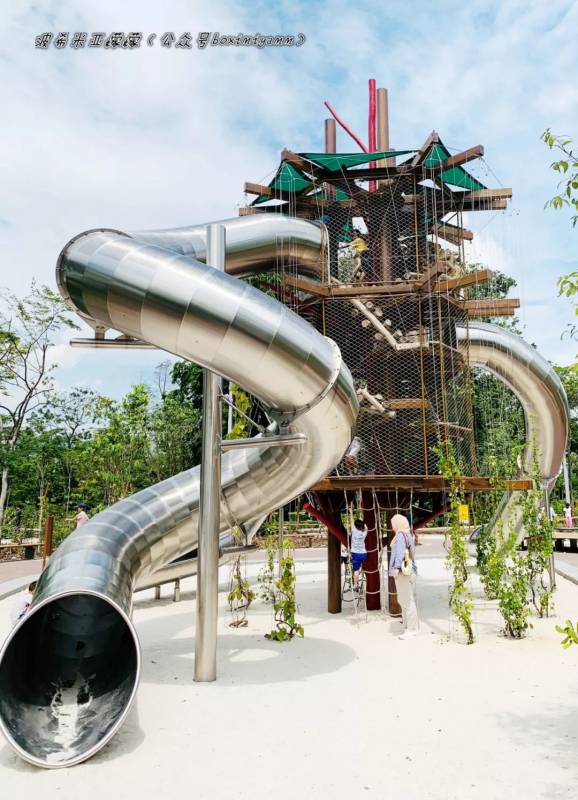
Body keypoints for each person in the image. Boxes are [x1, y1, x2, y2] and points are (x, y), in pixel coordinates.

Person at [389, 513, 419, 639]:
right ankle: (407, 627)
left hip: (403, 572)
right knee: (404, 600)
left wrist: (396, 567)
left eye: (393, 524)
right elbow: (412, 553)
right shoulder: (408, 534)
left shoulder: (401, 535)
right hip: (410, 571)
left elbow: (400, 552)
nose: (392, 527)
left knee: (406, 601)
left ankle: (412, 629)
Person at [350, 518, 368, 590]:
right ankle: (362, 574)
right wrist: (363, 524)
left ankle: (355, 585)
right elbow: (366, 527)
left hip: (356, 554)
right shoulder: (364, 533)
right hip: (364, 554)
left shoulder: (353, 530)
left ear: (355, 526)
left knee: (356, 570)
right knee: (362, 566)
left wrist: (351, 512)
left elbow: (352, 521)